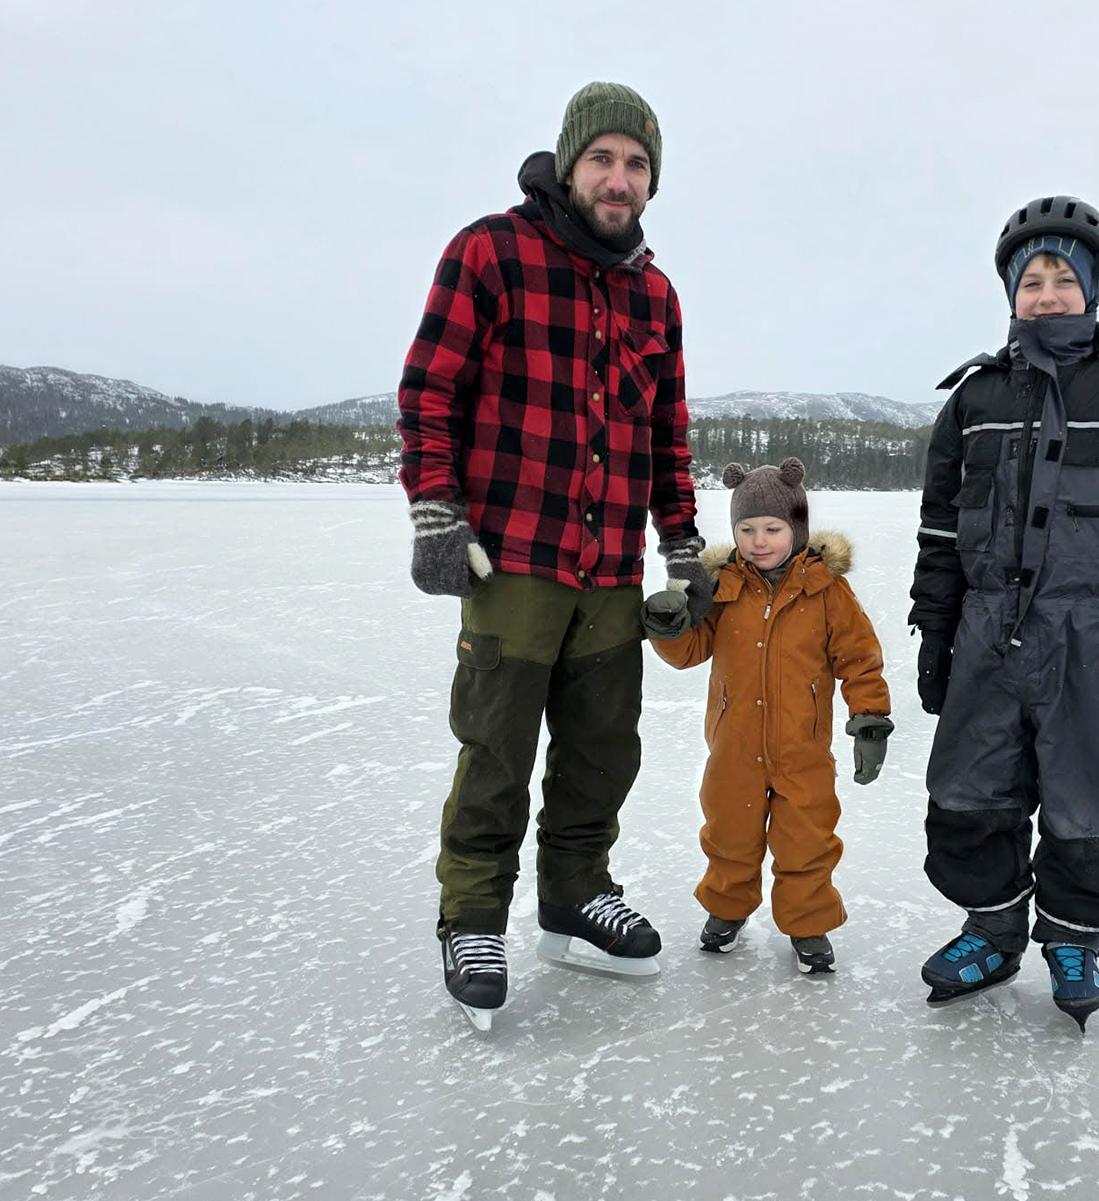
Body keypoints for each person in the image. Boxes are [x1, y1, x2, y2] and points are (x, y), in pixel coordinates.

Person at [396, 81, 714, 1027]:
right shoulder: (492, 252)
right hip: (516, 561)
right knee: (496, 744)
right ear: (571, 163)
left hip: (611, 568)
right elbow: (428, 391)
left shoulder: (656, 292)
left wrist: (684, 548)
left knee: (601, 750)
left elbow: (669, 433)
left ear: (652, 183)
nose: (619, 180)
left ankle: (575, 893)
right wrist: (436, 514)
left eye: (638, 165)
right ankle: (471, 916)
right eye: (604, 159)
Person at [909, 196, 1099, 1030]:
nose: (1046, 294)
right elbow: (940, 528)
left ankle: (1074, 936)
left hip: (1089, 633)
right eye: (1031, 280)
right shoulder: (972, 397)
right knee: (971, 793)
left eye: (1063, 280)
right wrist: (935, 627)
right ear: (1010, 292)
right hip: (985, 630)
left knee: (1093, 796)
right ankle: (994, 930)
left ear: (1094, 289)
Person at [642, 458, 892, 975]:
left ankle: (807, 924)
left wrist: (869, 718)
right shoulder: (720, 588)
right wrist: (669, 627)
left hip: (803, 748)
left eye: (773, 529)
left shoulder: (827, 591)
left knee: (808, 840)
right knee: (729, 834)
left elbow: (858, 658)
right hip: (733, 748)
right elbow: (693, 650)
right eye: (747, 529)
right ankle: (726, 911)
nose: (760, 540)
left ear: (795, 528)